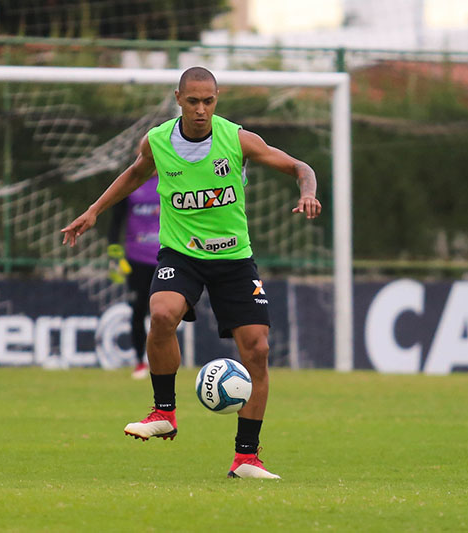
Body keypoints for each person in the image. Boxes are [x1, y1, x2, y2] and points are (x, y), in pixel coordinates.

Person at [61, 66, 321, 479]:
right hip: (181, 254)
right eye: (194, 101)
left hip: (234, 259)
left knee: (257, 350)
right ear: (178, 99)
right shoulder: (158, 141)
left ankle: (246, 458)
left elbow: (299, 167)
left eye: (209, 101)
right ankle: (164, 412)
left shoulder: (237, 140)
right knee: (162, 313)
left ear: (217, 99)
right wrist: (94, 211)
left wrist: (307, 192)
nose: (201, 109)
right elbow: (134, 173)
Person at [106, 175, 160, 379]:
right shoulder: (130, 182)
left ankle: (165, 360)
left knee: (164, 313)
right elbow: (115, 222)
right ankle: (140, 361)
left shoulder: (172, 176)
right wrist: (114, 256)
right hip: (136, 258)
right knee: (138, 311)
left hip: (167, 257)